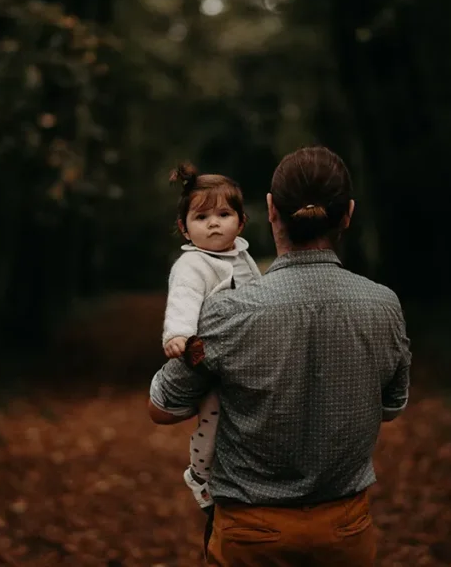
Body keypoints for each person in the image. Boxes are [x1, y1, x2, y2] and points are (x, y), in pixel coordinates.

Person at [148, 146, 412, 565]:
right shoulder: (384, 305)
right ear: (348, 215)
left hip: (251, 534)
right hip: (345, 531)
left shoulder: (229, 311)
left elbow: (162, 407)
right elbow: (392, 407)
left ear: (271, 211)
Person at [160, 162, 261, 516]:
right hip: (208, 359)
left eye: (223, 213)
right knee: (214, 416)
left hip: (244, 358)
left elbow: (258, 296)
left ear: (241, 221)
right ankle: (200, 474)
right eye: (202, 217)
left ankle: (240, 471)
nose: (214, 223)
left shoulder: (244, 257)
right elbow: (184, 300)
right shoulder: (191, 266)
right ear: (184, 229)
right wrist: (179, 335)